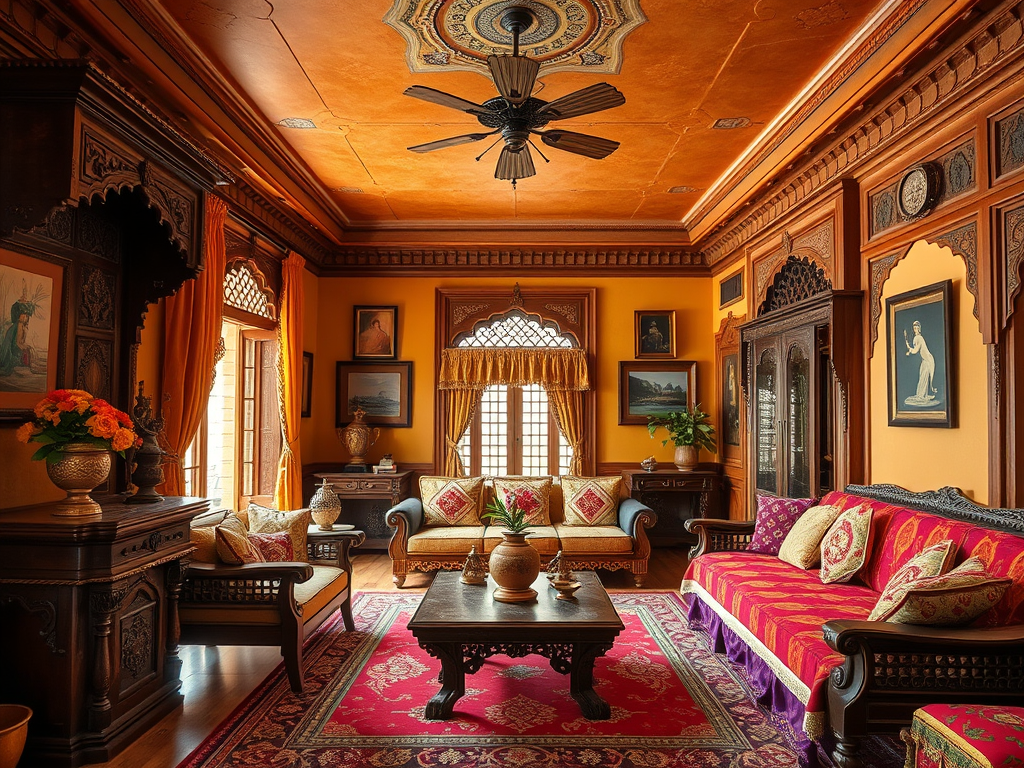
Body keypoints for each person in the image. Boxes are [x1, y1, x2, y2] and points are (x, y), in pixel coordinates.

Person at [0, 282, 36, 376]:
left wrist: (27, 346)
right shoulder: (18, 326)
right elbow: (17, 343)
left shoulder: (24, 326)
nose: (26, 317)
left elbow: (22, 341)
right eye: (24, 315)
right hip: (12, 348)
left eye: (27, 316)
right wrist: (26, 347)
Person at [903, 320, 937, 406]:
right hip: (924, 360)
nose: (915, 330)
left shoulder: (919, 338)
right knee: (922, 377)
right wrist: (909, 348)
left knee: (924, 378)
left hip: (928, 360)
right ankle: (922, 394)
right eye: (914, 328)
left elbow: (915, 351)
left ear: (919, 329)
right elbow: (914, 350)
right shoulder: (917, 338)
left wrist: (909, 349)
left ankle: (922, 395)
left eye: (917, 328)